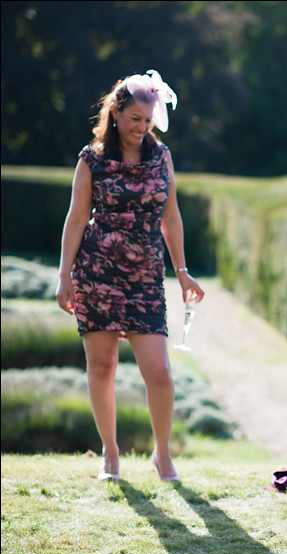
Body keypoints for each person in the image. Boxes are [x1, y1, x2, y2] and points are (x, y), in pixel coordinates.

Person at [55, 70, 205, 483]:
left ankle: (162, 455)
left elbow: (170, 216)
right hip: (96, 273)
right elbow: (76, 219)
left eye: (149, 119)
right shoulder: (92, 159)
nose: (142, 127)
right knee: (102, 366)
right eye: (135, 118)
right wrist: (64, 275)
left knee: (158, 371)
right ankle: (110, 454)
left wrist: (183, 272)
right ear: (116, 114)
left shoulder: (162, 157)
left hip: (145, 277)